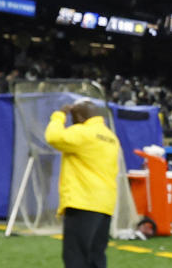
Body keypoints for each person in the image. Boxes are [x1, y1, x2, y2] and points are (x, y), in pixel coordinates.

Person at [45, 98, 120, 268]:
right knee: (96, 256)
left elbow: (53, 137)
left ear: (79, 116)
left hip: (83, 201)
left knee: (76, 257)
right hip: (105, 204)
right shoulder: (110, 137)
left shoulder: (83, 133)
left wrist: (59, 116)